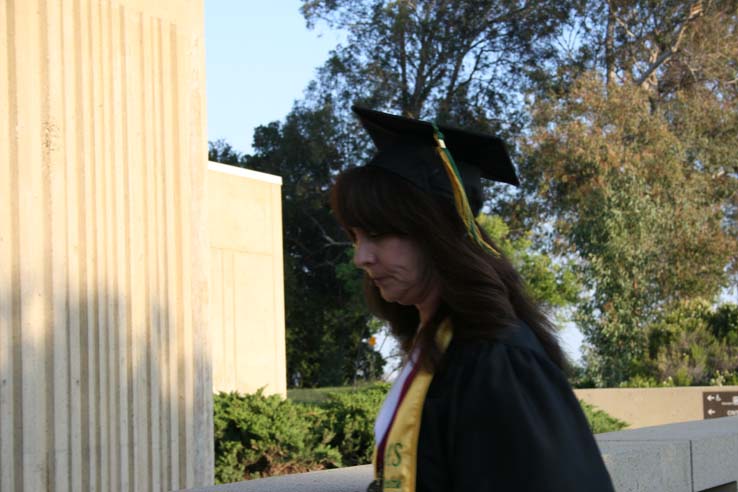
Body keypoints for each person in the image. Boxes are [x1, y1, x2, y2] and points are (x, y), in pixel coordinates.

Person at [329, 106, 615, 492]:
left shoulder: (498, 361)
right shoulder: (439, 346)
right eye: (355, 236)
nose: (360, 257)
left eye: (378, 235)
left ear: (437, 236)